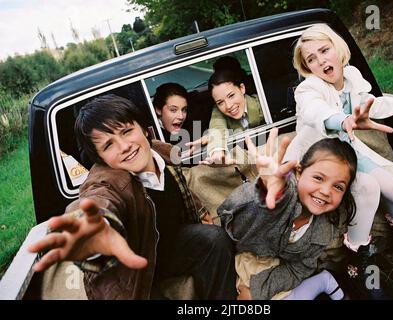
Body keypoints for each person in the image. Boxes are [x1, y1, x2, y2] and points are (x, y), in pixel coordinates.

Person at [28, 94, 236, 300]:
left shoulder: (160, 153)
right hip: (128, 276)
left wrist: (200, 208)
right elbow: (97, 200)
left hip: (162, 249)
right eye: (108, 145)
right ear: (100, 159)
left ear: (146, 130)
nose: (124, 146)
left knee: (214, 240)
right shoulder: (107, 179)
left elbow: (182, 177)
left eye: (127, 131)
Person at [284, 24, 393, 284]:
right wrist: (342, 119)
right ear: (307, 67)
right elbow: (315, 111)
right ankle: (359, 262)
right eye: (311, 59)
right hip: (319, 158)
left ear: (338, 48)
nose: (320, 60)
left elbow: (374, 104)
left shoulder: (351, 76)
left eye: (324, 50)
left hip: (348, 151)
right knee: (368, 187)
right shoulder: (308, 89)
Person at [218, 128, 357, 300]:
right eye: (318, 178)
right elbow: (229, 219)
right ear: (298, 173)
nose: (326, 191)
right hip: (236, 260)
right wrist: (266, 191)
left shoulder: (325, 229)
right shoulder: (283, 194)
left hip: (271, 274)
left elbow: (299, 269)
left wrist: (257, 291)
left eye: (338, 187)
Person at [198, 63, 265, 165]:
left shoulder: (261, 102)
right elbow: (217, 127)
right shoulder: (218, 111)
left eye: (231, 95)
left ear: (242, 88)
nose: (228, 106)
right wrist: (217, 151)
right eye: (220, 102)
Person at [152, 82, 188, 147]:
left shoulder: (189, 127)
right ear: (158, 110)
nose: (181, 116)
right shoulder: (156, 138)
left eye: (184, 110)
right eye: (173, 110)